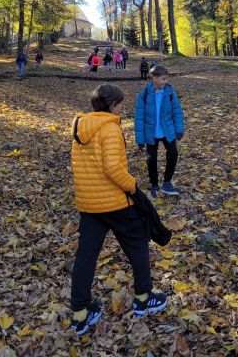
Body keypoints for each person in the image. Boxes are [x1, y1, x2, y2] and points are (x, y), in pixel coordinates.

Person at [69, 84, 168, 336]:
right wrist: (133, 186)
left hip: (89, 203)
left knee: (86, 256)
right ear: (112, 105)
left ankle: (80, 315)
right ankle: (144, 298)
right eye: (121, 103)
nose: (122, 107)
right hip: (114, 202)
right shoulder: (110, 128)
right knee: (137, 243)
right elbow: (113, 169)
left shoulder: (80, 128)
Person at [134, 65, 184, 198]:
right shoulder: (144, 95)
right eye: (163, 79)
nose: (166, 81)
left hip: (168, 131)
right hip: (151, 133)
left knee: (173, 154)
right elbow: (139, 117)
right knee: (151, 159)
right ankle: (154, 184)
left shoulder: (170, 94)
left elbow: (177, 112)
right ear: (154, 78)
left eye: (167, 79)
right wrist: (139, 139)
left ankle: (167, 182)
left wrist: (179, 129)